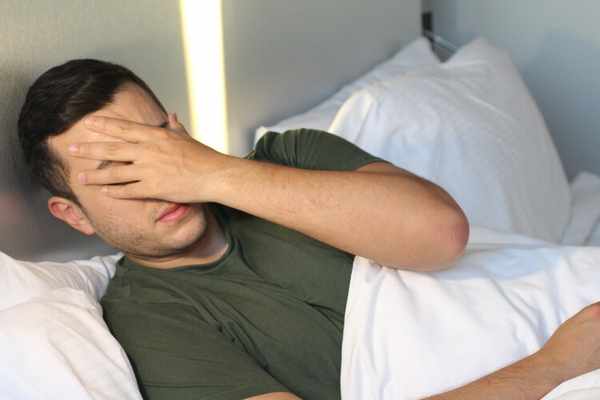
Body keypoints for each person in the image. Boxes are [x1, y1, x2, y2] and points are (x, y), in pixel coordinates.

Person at [16, 59, 600, 400]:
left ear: (179, 131)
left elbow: (440, 235)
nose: (160, 183)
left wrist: (211, 172)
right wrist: (552, 367)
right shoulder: (149, 320)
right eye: (119, 176)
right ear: (74, 215)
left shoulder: (289, 157)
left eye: (155, 148)